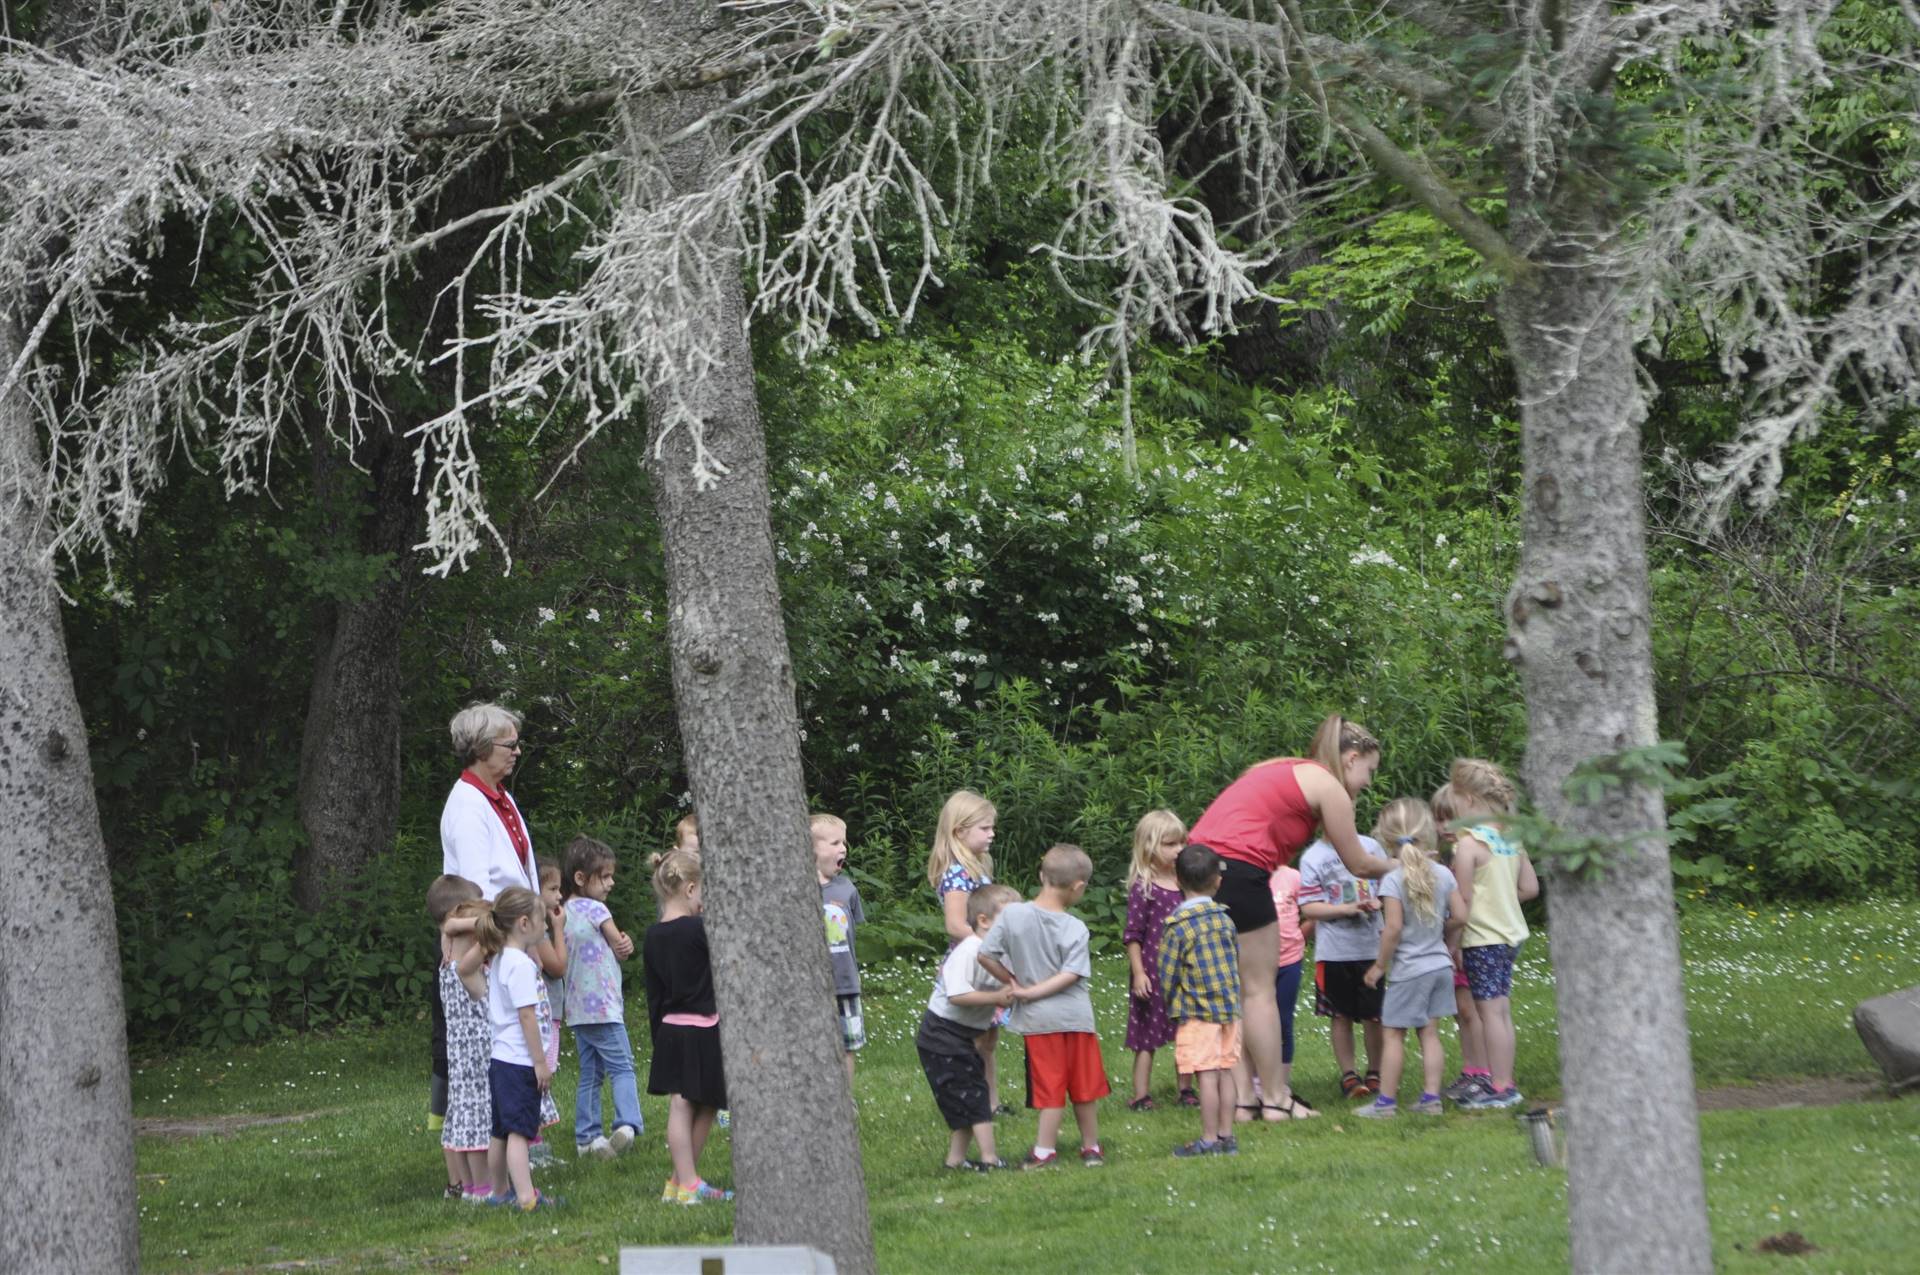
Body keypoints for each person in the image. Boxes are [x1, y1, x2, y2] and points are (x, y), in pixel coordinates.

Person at [1185, 714, 1391, 1122]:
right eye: (1369, 771)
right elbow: (1360, 865)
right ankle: (1277, 1099)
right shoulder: (1329, 787)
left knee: (1240, 991)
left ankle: (1245, 1099)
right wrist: (1409, 863)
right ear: (1351, 758)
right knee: (1259, 991)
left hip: (1198, 872)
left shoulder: (1283, 768)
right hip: (1241, 872)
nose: (1367, 783)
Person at [978, 843, 1110, 1168]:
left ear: (1042, 875)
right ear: (1078, 887)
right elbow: (1071, 974)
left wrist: (1016, 985)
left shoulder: (1012, 914)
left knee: (1049, 1085)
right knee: (1084, 1084)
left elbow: (985, 955)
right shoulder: (1075, 927)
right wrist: (1031, 991)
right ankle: (1091, 1147)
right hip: (1076, 1018)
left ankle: (1044, 1150)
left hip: (1039, 1022)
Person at [1357, 798, 1466, 1118]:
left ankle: (1385, 1103)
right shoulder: (1443, 873)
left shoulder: (1392, 879)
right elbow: (1460, 915)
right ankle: (1431, 1099)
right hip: (1440, 967)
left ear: (1385, 839)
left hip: (1409, 971)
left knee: (1393, 1034)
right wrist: (1439, 933)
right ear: (1427, 833)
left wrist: (1379, 966)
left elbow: (1392, 928)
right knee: (1429, 1033)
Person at [643, 849, 734, 1204]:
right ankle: (688, 1184)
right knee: (691, 1104)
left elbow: (655, 994)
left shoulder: (653, 936)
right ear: (691, 888)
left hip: (670, 1030)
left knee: (701, 1104)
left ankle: (681, 1180)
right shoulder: (699, 930)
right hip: (703, 1027)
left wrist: (658, 1037)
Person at [1448, 759, 1539, 1110]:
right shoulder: (1510, 838)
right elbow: (1529, 887)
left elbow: (1464, 900)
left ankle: (1500, 1086)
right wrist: (1502, 900)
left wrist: (1452, 941)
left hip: (1482, 939)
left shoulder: (1468, 845)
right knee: (1501, 1011)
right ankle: (1506, 1081)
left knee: (1489, 1014)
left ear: (1468, 799)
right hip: (1511, 936)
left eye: (1455, 798)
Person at [915, 884, 1021, 1171]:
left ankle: (956, 1161)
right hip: (941, 1034)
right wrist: (997, 998)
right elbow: (957, 995)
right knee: (975, 1095)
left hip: (961, 1036)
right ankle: (989, 1159)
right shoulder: (969, 950)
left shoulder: (1003, 955)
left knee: (965, 1098)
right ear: (984, 921)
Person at [475, 886, 562, 1211]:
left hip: (501, 1059)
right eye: (542, 920)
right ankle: (526, 1197)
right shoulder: (521, 965)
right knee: (519, 1132)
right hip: (520, 1061)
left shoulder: (500, 960)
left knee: (500, 1130)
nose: (544, 927)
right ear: (524, 923)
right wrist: (539, 1062)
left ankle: (499, 1192)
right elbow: (527, 1015)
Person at [1157, 845, 1243, 1157]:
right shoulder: (1225, 921)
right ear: (1217, 881)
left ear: (1177, 879)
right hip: (1229, 1010)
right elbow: (1235, 959)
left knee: (1205, 1074)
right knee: (1226, 1070)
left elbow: (1168, 971)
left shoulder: (1177, 926)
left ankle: (1208, 1139)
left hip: (1197, 1013)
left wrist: (1170, 1003)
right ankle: (1227, 1135)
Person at [560, 835, 641, 1160]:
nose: (611, 882)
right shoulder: (597, 909)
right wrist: (627, 944)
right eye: (604, 876)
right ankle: (627, 1125)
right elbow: (619, 946)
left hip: (577, 1008)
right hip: (604, 1007)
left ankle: (587, 1138)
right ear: (581, 878)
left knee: (590, 1073)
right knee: (622, 1067)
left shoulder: (562, 911)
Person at [926, 790, 1006, 1112]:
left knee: (988, 1039)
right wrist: (992, 945)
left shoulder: (975, 867)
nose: (992, 834)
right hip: (973, 965)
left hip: (983, 961)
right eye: (984, 828)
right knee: (973, 1038)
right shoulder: (957, 873)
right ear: (960, 831)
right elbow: (956, 925)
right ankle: (975, 1101)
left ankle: (991, 1101)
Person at [1299, 828, 1390, 1103]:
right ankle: (1349, 1075)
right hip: (1334, 951)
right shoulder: (1313, 857)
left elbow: (1391, 887)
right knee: (1340, 1016)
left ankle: (1376, 1071)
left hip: (1371, 947)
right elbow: (1309, 908)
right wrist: (1346, 909)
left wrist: (1380, 901)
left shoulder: (1371, 847)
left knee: (1374, 1015)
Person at [1122, 809, 1192, 1110]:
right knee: (1146, 1036)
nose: (1178, 850)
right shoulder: (1145, 887)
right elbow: (1133, 935)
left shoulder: (1188, 883)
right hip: (1152, 970)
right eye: (1169, 844)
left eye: (1181, 843)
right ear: (1149, 846)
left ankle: (1186, 1090)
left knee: (1187, 1032)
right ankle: (1140, 1094)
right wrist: (1139, 973)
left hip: (1186, 970)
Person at [1430, 782, 1491, 1103]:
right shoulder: (1449, 859)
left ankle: (1482, 1072)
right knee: (1461, 1012)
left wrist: (1453, 945)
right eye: (1439, 820)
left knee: (1470, 1011)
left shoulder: (1468, 855)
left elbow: (1464, 907)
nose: (1444, 827)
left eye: (1450, 818)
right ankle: (1471, 1069)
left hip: (1466, 944)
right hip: (1455, 944)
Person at [429, 875, 488, 1201]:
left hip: (458, 1053)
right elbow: (460, 925)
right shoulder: (458, 957)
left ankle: (464, 1186)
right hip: (474, 1052)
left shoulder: (447, 951)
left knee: (458, 1116)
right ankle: (478, 1187)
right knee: (474, 1118)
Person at [813, 813, 867, 1082]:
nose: (843, 848)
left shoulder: (846, 889)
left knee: (847, 1045)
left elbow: (854, 932)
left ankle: (844, 1100)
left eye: (843, 843)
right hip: (811, 987)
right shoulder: (798, 891)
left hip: (845, 982)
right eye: (834, 843)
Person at [1264, 856, 1315, 1116]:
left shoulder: (1292, 877)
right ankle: (1258, 1083)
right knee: (1258, 1022)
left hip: (1289, 961)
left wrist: (1299, 937)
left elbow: (1313, 912)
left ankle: (1282, 1087)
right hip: (1257, 963)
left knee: (1283, 1022)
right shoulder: (1249, 878)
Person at [528, 861, 569, 1168]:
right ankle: (532, 1142)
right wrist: (558, 929)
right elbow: (558, 966)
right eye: (552, 889)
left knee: (545, 1076)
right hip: (543, 1019)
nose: (559, 895)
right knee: (540, 1077)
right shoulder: (539, 933)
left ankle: (535, 1140)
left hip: (551, 1016)